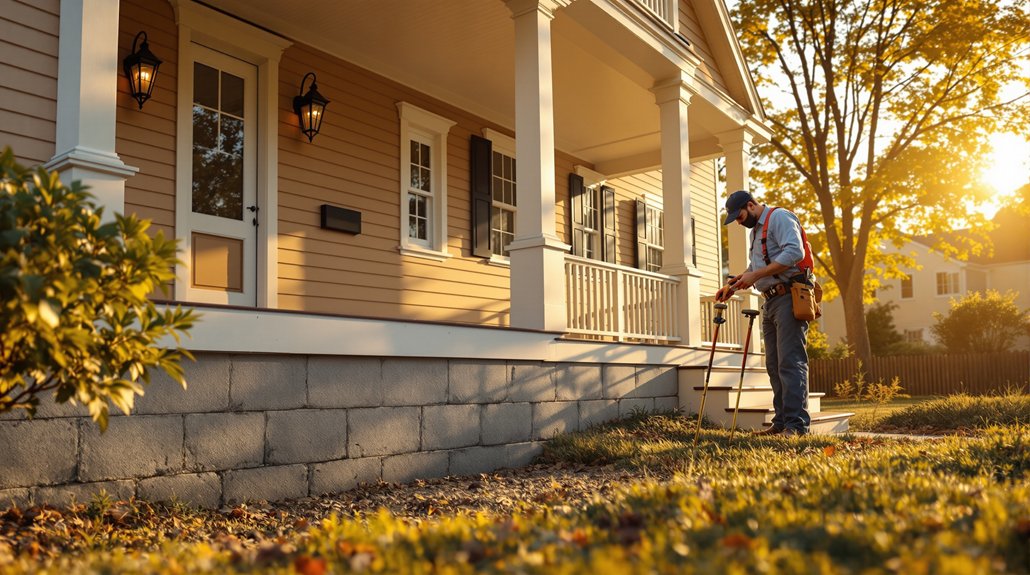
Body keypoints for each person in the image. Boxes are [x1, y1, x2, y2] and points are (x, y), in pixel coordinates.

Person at [716, 190, 811, 436]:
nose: (738, 221)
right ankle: (781, 423)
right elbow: (757, 267)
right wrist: (735, 284)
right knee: (774, 365)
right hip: (769, 301)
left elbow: (794, 253)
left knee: (790, 362)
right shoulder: (756, 231)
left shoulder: (779, 218)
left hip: (789, 297)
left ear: (751, 205)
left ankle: (796, 426)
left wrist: (756, 275)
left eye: (740, 216)